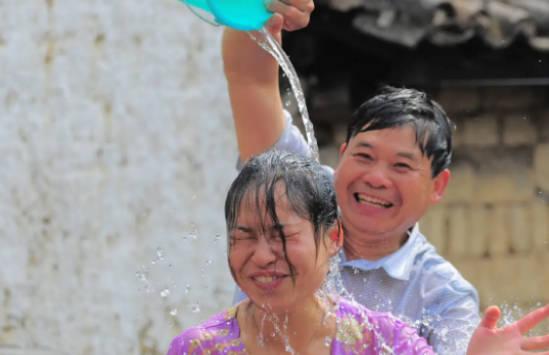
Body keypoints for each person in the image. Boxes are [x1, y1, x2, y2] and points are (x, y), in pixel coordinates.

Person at [222, 1, 479, 353]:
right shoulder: (293, 189)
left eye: (401, 166)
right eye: (364, 156)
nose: (375, 178)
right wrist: (254, 14)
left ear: (438, 185)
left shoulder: (442, 296)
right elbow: (250, 81)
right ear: (343, 156)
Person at [166, 151, 549, 355]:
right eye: (243, 237)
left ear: (333, 237)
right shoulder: (199, 349)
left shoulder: (382, 342)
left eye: (281, 236)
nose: (262, 256)